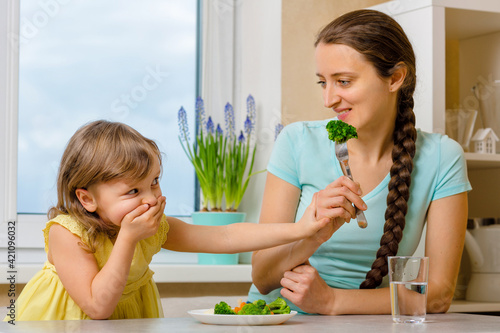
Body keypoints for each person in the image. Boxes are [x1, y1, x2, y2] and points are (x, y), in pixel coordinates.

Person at [248, 9, 471, 315]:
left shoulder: (443, 157)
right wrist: (310, 233)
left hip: (363, 323)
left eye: (343, 81)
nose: (328, 99)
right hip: (276, 321)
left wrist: (332, 302)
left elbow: (438, 295)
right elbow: (261, 277)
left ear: (395, 78)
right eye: (322, 83)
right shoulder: (296, 141)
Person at [10, 120, 332, 321]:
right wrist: (127, 239)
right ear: (87, 199)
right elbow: (97, 307)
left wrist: (301, 229)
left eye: (154, 181)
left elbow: (225, 238)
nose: (151, 198)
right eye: (133, 190)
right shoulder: (67, 234)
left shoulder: (153, 227)